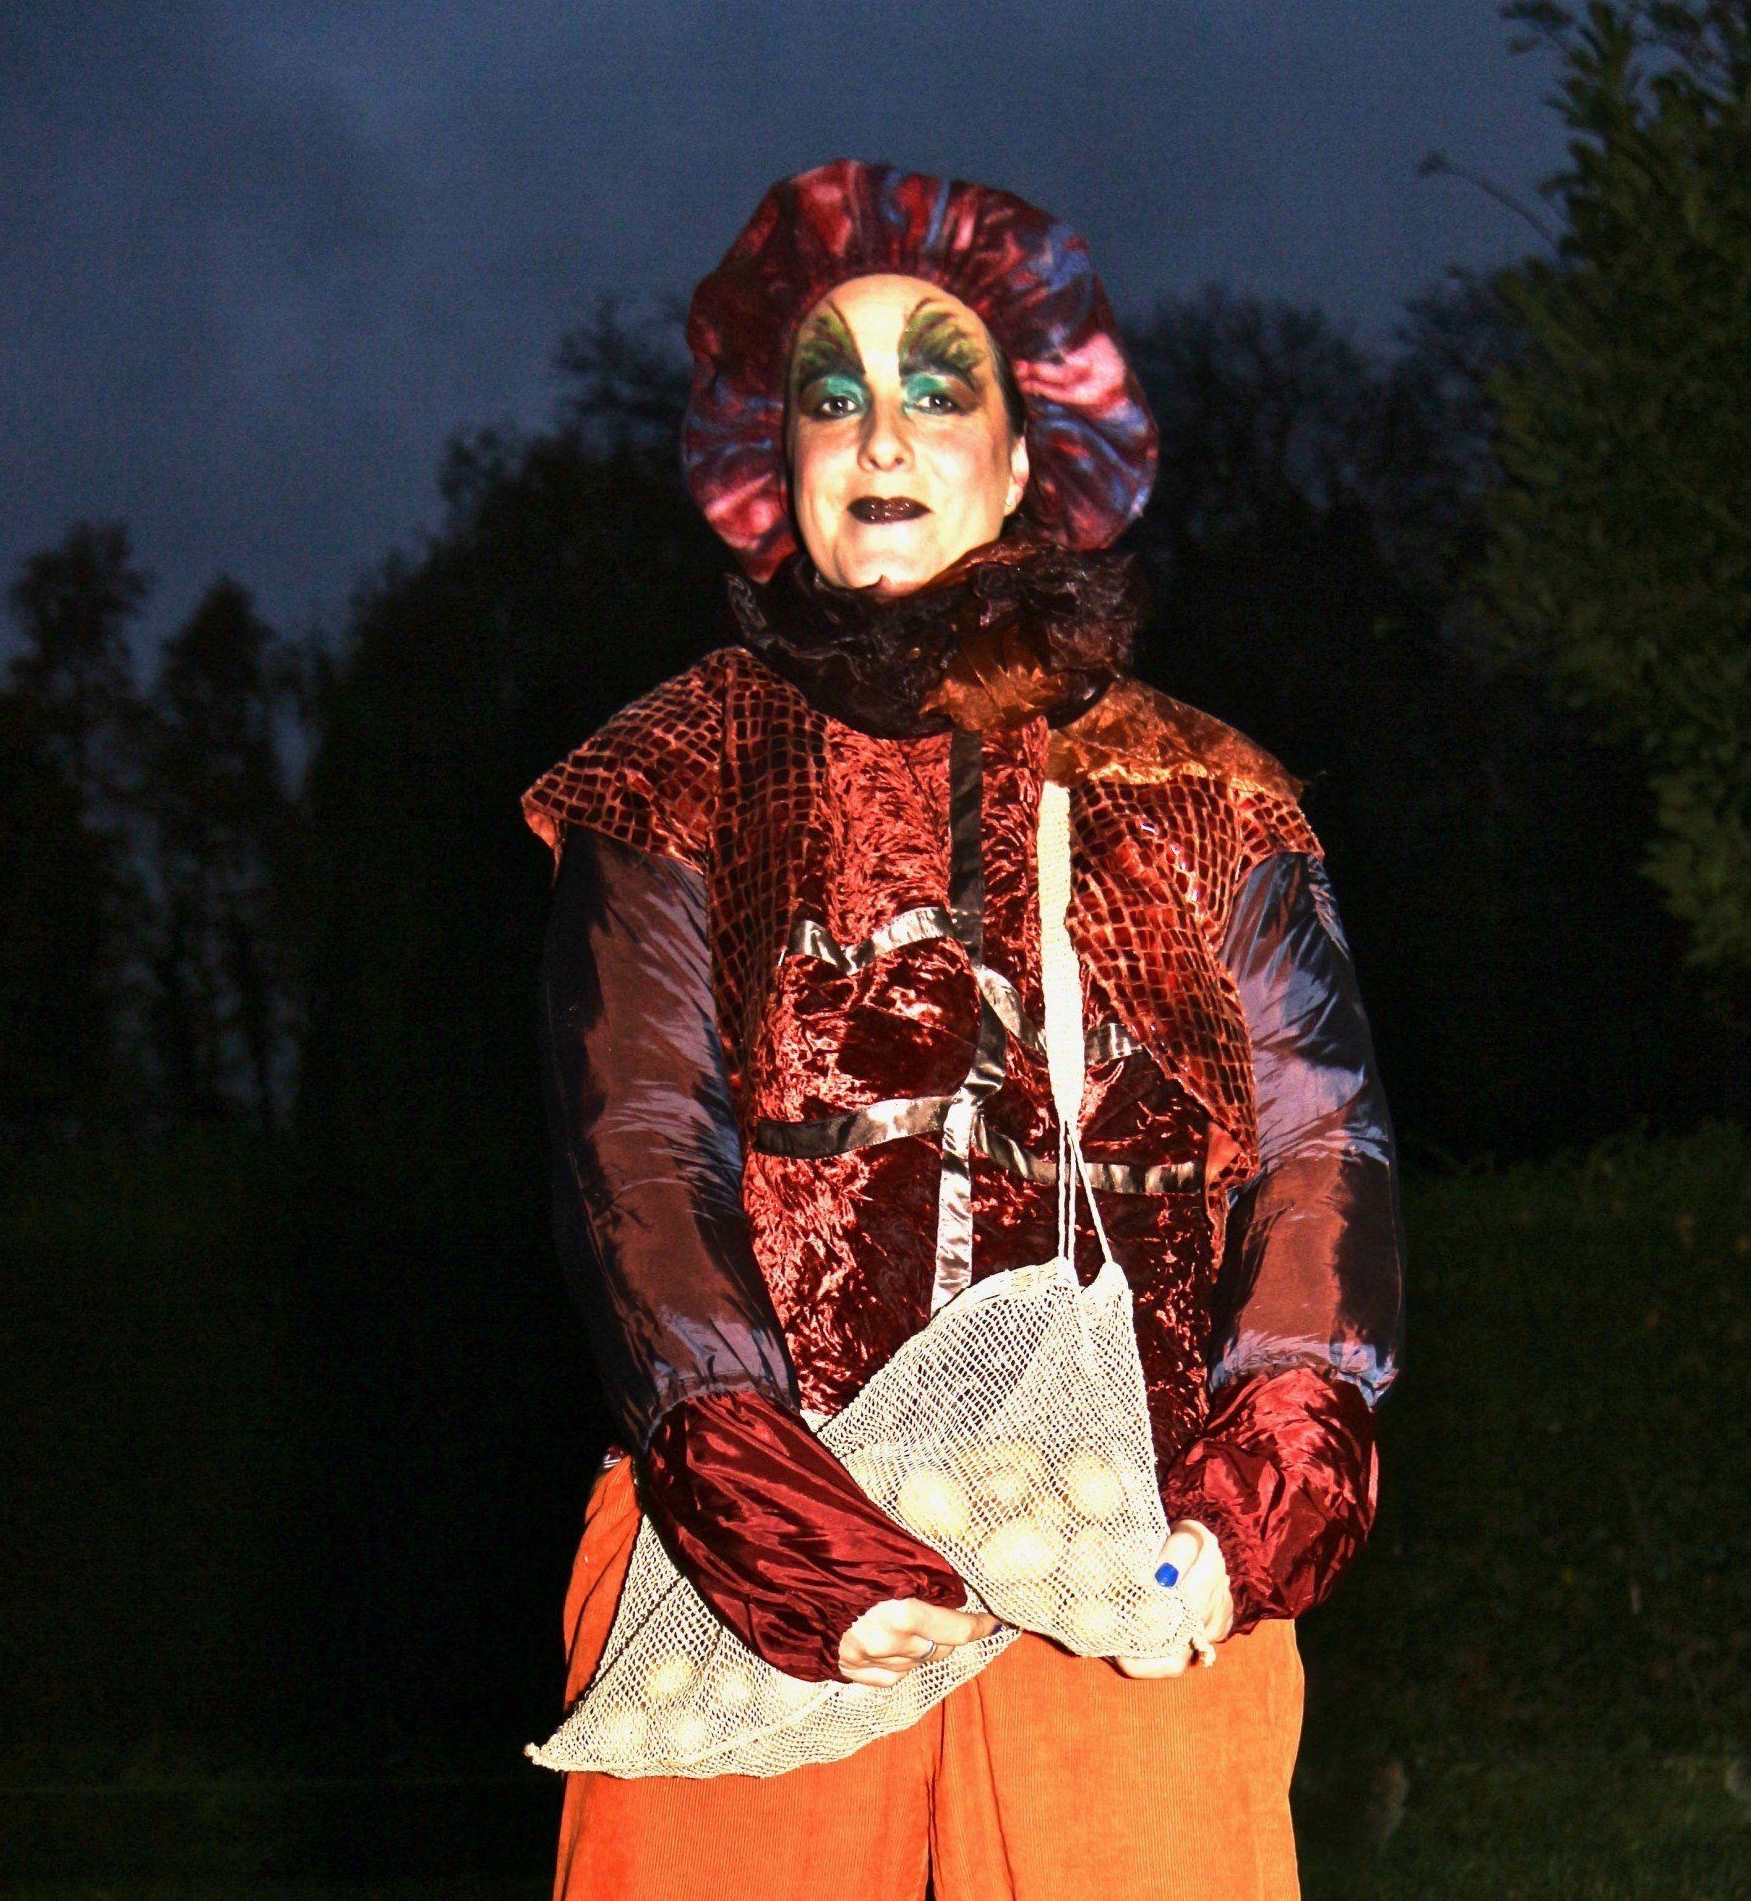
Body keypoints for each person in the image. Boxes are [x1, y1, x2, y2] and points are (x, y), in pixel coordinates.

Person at [523, 158, 1404, 1901]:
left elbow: (1325, 1149)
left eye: (938, 385)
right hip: (749, 1561)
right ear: (775, 472)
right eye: (828, 395)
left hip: (1132, 1555)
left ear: (1024, 456)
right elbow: (638, 1146)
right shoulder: (672, 771)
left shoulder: (1205, 787)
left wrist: (1255, 1507)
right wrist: (777, 1525)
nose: (880, 432)